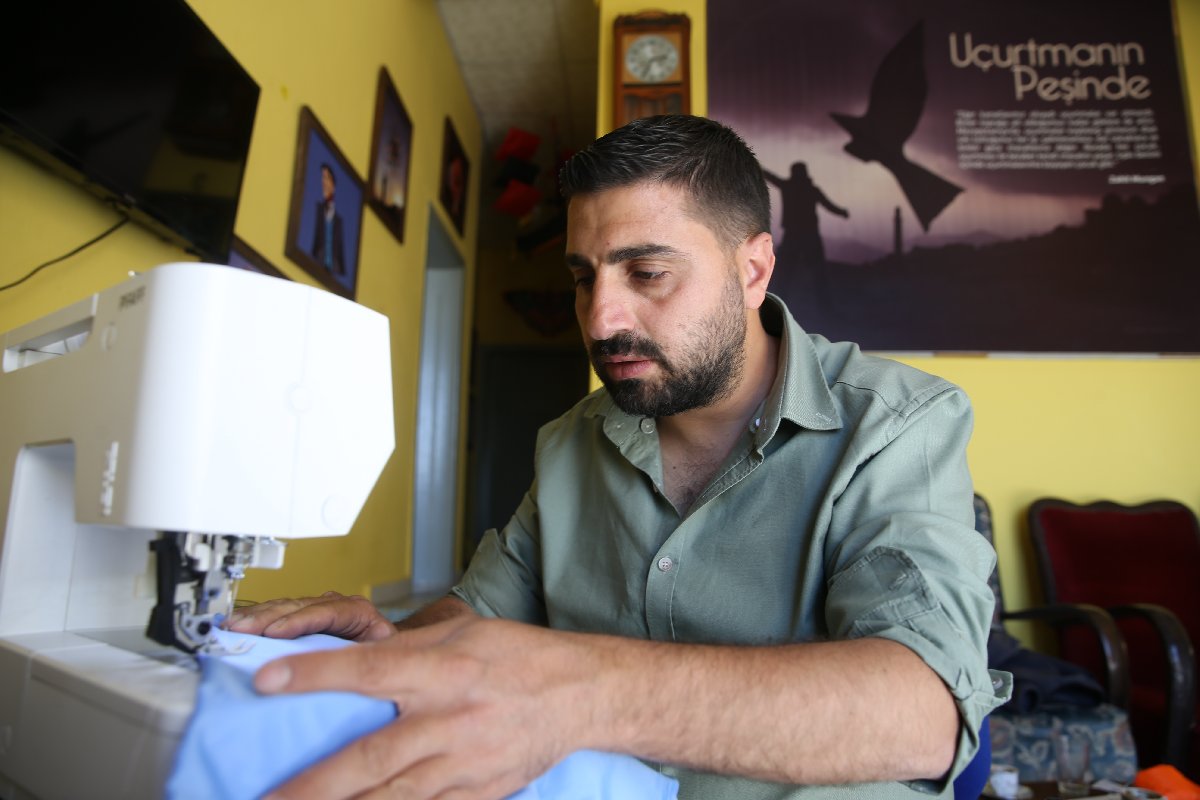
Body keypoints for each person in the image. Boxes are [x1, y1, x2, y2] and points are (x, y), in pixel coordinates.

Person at [230, 114, 1007, 800]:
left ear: (752, 271)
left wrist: (577, 694)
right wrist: (398, 645)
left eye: (648, 273)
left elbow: (921, 712)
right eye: (583, 278)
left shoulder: (898, 425)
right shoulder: (571, 441)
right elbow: (482, 612)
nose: (600, 320)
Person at [311, 162, 346, 275]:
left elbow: (340, 252)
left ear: (333, 186)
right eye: (323, 177)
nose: (323, 182)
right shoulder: (316, 208)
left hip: (334, 267)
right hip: (317, 260)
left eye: (327, 178)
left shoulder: (339, 220)